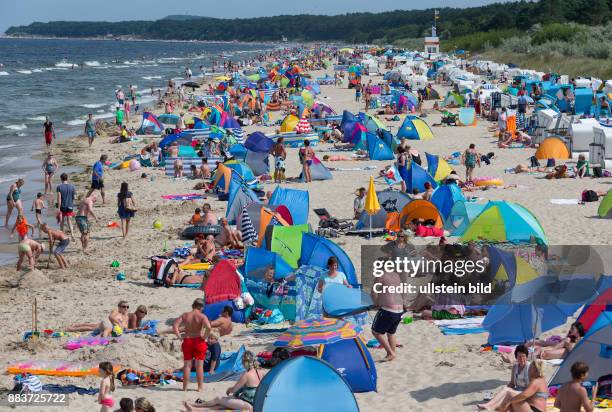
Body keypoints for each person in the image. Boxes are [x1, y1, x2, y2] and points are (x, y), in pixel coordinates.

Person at [183, 351, 266, 411]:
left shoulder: (247, 375)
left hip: (249, 405)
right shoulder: (262, 372)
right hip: (257, 402)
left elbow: (234, 390)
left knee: (219, 399)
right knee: (222, 404)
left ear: (245, 362)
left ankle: (196, 405)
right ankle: (195, 409)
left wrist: (229, 389)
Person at [173, 298, 212, 392]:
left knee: (187, 366)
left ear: (193, 305)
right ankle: (200, 388)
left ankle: (185, 388)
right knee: (199, 366)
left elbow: (175, 326)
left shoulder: (185, 315)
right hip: (199, 341)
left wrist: (179, 337)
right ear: (201, 307)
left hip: (187, 340)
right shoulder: (202, 316)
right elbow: (209, 327)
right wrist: (204, 337)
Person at [371, 260, 406, 362]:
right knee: (390, 333)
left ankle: (390, 353)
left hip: (389, 309)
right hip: (400, 310)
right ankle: (391, 354)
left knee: (376, 332)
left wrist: (376, 304)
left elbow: (374, 293)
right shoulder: (396, 275)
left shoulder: (380, 275)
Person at [478, 345, 531, 410]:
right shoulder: (515, 367)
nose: (522, 359)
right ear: (516, 357)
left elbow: (532, 386)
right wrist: (504, 390)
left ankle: (490, 406)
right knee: (505, 389)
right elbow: (512, 383)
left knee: (507, 391)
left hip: (525, 393)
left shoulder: (530, 367)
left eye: (523, 356)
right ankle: (489, 405)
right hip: (517, 390)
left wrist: (507, 390)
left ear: (526, 356)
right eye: (519, 357)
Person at [56, 172, 76, 239]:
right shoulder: (72, 187)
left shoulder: (59, 187)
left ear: (61, 179)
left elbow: (59, 198)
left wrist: (58, 208)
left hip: (63, 206)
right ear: (67, 178)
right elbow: (74, 197)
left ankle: (62, 235)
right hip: (70, 206)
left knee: (62, 221)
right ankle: (72, 234)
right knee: (69, 221)